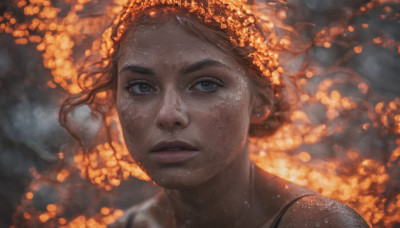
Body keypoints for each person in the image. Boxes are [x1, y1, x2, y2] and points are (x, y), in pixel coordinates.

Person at [60, 0, 370, 227]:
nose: (169, 115)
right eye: (141, 87)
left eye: (206, 84)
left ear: (260, 101)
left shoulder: (317, 223)